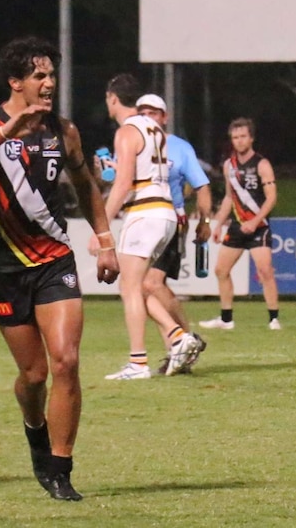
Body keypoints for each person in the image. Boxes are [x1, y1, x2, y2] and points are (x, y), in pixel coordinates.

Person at [0, 36, 119, 500]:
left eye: (52, 75)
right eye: (40, 76)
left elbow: (87, 183)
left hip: (55, 261)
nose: (50, 83)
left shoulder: (63, 131)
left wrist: (105, 240)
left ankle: (60, 467)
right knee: (33, 376)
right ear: (16, 82)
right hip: (3, 269)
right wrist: (7, 132)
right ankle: (34, 425)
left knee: (66, 360)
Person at [98, 74, 200, 380]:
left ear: (113, 98)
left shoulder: (127, 131)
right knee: (139, 286)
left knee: (128, 287)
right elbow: (147, 171)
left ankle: (137, 363)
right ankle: (178, 336)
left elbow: (125, 184)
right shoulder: (154, 128)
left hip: (144, 212)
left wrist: (100, 227)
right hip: (166, 211)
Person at [135, 94, 213, 373]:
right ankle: (180, 345)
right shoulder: (132, 143)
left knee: (150, 285)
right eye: (143, 112)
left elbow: (202, 186)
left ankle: (182, 341)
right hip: (140, 221)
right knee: (148, 287)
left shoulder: (179, 148)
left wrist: (205, 221)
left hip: (171, 219)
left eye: (154, 113)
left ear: (164, 117)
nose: (148, 117)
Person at [199, 117, 281, 331]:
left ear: (251, 138)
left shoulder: (262, 164)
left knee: (265, 271)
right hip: (237, 226)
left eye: (243, 136)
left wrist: (255, 222)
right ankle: (226, 319)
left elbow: (271, 197)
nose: (239, 141)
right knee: (221, 270)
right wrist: (217, 225)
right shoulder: (229, 166)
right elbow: (229, 197)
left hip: (259, 225)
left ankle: (274, 319)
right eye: (235, 137)